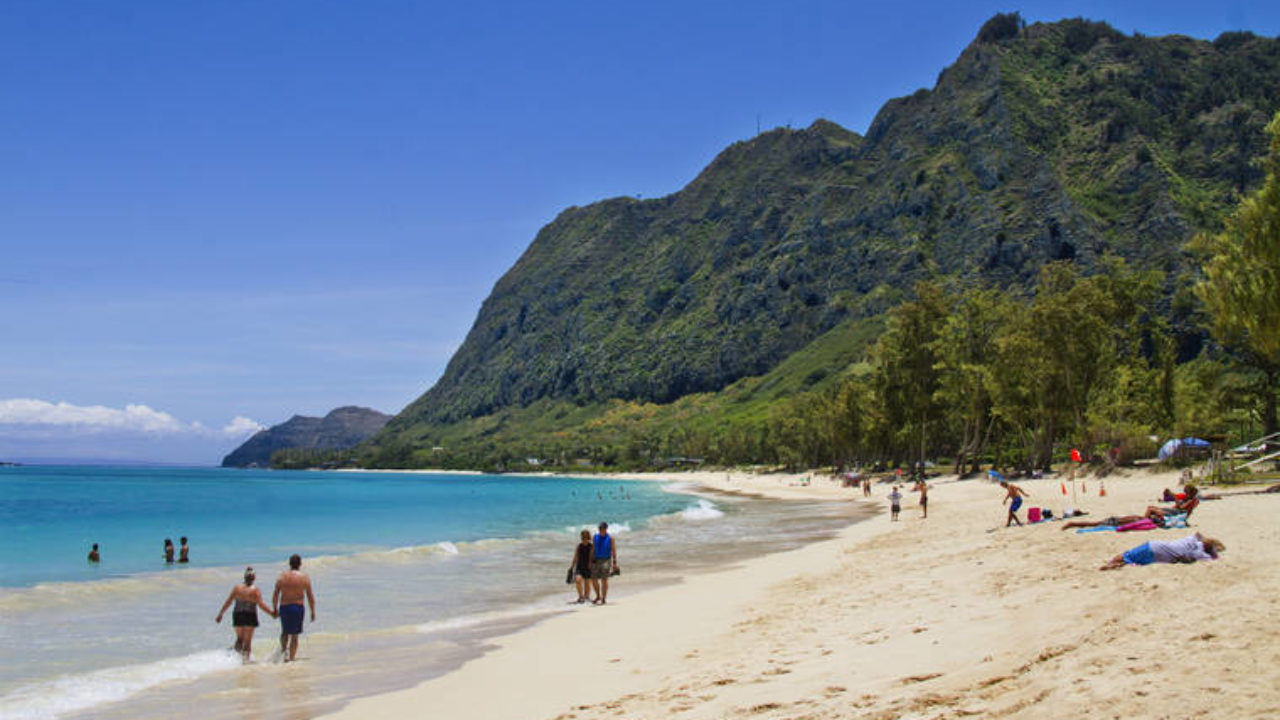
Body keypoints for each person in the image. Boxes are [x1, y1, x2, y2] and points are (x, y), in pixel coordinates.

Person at [216, 567, 276, 662]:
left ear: (244, 577)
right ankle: (245, 662)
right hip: (250, 615)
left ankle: (233, 661)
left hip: (238, 614)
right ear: (254, 578)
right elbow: (261, 605)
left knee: (239, 640)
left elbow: (229, 602)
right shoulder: (255, 590)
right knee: (247, 643)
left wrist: (220, 614)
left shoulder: (237, 588)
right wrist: (272, 613)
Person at [272, 554, 316, 662]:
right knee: (295, 635)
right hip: (297, 607)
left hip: (284, 607)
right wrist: (312, 611)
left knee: (285, 632)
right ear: (300, 564)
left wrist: (274, 609)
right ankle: (291, 658)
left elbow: (275, 595)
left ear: (289, 564)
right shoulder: (304, 577)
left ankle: (284, 652)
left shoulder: (282, 577)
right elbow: (310, 596)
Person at [1100, 533, 1224, 570]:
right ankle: (1113, 563)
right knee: (1132, 558)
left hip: (1156, 547)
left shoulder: (1191, 540)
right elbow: (1212, 559)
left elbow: (1199, 535)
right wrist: (1214, 555)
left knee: (1129, 555)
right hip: (1157, 554)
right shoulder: (1198, 552)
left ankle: (1112, 562)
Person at [590, 522, 618, 605]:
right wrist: (590, 560)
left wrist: (614, 563)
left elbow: (613, 550)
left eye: (602, 529)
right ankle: (598, 595)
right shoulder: (595, 537)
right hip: (596, 559)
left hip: (606, 560)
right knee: (593, 579)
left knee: (604, 579)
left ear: (606, 529)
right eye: (599, 529)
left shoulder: (610, 538)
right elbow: (593, 548)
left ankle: (603, 598)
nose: (600, 530)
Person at [569, 529, 594, 604]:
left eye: (586, 537)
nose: (584, 539)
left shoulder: (591, 546)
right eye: (583, 538)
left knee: (587, 583)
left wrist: (592, 565)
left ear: (588, 538)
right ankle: (581, 596)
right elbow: (575, 557)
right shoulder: (579, 546)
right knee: (578, 580)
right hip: (579, 566)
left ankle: (586, 597)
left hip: (588, 566)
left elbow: (592, 557)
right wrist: (571, 567)